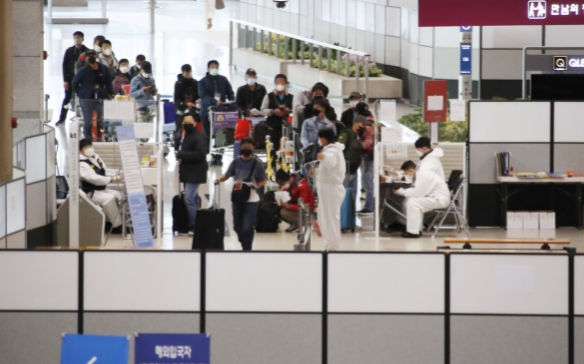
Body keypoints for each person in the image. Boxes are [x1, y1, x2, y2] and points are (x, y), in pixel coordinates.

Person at [215, 138, 267, 251]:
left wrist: (256, 186)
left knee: (248, 226)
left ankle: (247, 249)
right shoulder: (236, 162)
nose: (246, 148)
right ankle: (244, 243)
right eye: (244, 146)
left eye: (249, 146)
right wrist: (219, 180)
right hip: (237, 197)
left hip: (251, 199)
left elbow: (264, 180)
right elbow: (227, 175)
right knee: (237, 226)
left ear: (253, 148)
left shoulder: (257, 164)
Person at [394, 161, 450, 238]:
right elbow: (418, 190)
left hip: (439, 199)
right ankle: (417, 230)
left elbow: (417, 193)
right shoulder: (422, 173)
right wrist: (403, 192)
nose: (407, 175)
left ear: (411, 170)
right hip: (436, 197)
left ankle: (413, 232)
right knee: (411, 202)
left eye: (406, 173)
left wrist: (402, 192)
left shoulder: (423, 175)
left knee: (412, 202)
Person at [79, 139, 124, 229]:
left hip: (101, 189)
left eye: (90, 146)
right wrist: (113, 179)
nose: (90, 149)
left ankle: (112, 221)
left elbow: (105, 171)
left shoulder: (95, 158)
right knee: (109, 199)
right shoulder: (81, 164)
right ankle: (117, 225)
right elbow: (94, 178)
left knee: (120, 196)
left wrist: (118, 172)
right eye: (86, 148)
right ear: (80, 150)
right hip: (91, 192)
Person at [176, 114, 208, 235]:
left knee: (189, 199)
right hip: (189, 172)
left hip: (195, 173)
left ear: (195, 123)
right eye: (185, 123)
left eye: (189, 123)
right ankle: (196, 224)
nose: (186, 125)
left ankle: (195, 226)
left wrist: (181, 154)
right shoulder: (188, 136)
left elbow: (200, 155)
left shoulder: (199, 137)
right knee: (193, 199)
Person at [199, 60, 235, 165]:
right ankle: (207, 155)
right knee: (207, 135)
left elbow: (230, 93)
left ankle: (219, 156)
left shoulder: (223, 80)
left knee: (220, 134)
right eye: (212, 67)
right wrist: (215, 102)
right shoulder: (202, 82)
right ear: (208, 68)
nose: (214, 69)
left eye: (216, 67)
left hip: (220, 113)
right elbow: (204, 96)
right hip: (207, 112)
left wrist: (231, 101)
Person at [72, 50, 113, 140]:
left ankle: (99, 138)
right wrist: (80, 94)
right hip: (86, 99)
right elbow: (74, 82)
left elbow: (108, 82)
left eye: (93, 55)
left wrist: (110, 94)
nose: (91, 57)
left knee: (101, 120)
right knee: (88, 121)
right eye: (89, 56)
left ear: (96, 57)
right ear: (86, 59)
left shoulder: (103, 68)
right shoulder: (83, 70)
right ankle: (88, 139)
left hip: (100, 98)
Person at [316, 128, 346, 251]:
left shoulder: (332, 151)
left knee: (330, 218)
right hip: (329, 187)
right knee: (326, 218)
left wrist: (323, 157)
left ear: (323, 139)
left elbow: (331, 161)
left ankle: (333, 247)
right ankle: (330, 244)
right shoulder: (334, 149)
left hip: (330, 189)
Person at [57, 31, 89, 127]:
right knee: (67, 98)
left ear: (83, 39)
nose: (77, 39)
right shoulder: (69, 51)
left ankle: (83, 119)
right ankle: (61, 119)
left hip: (83, 81)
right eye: (75, 37)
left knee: (83, 100)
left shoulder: (87, 51)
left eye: (79, 37)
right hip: (71, 79)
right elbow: (64, 66)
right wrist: (65, 80)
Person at [261, 73, 293, 152]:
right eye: (278, 83)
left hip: (287, 129)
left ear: (286, 84)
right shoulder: (269, 96)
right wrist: (273, 112)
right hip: (273, 128)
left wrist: (289, 111)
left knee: (287, 151)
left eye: (282, 83)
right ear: (275, 84)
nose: (280, 85)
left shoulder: (291, 97)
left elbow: (295, 110)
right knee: (272, 151)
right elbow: (263, 110)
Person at [338, 115, 369, 194]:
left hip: (354, 171)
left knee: (352, 196)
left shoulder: (357, 137)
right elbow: (338, 151)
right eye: (363, 125)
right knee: (344, 196)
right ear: (355, 124)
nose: (364, 127)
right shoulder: (346, 134)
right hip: (346, 171)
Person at [174, 64, 201, 147]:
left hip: (193, 108)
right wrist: (185, 104)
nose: (187, 74)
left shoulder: (195, 83)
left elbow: (199, 96)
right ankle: (177, 147)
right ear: (182, 72)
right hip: (181, 108)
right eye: (185, 72)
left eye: (188, 72)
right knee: (178, 127)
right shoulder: (178, 84)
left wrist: (198, 100)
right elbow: (177, 99)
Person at [358, 114, 375, 216]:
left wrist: (357, 141)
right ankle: (370, 206)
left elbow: (366, 145)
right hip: (368, 157)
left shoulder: (368, 128)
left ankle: (369, 207)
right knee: (368, 183)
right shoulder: (371, 125)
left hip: (369, 158)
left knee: (368, 183)